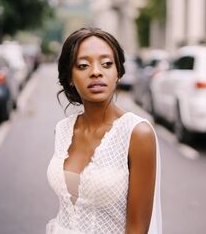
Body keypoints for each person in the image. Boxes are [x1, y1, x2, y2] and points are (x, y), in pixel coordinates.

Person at [46, 27, 162, 234]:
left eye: (107, 64)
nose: (96, 72)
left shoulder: (137, 134)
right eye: (83, 65)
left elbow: (137, 228)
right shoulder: (62, 130)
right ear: (70, 77)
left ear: (118, 73)